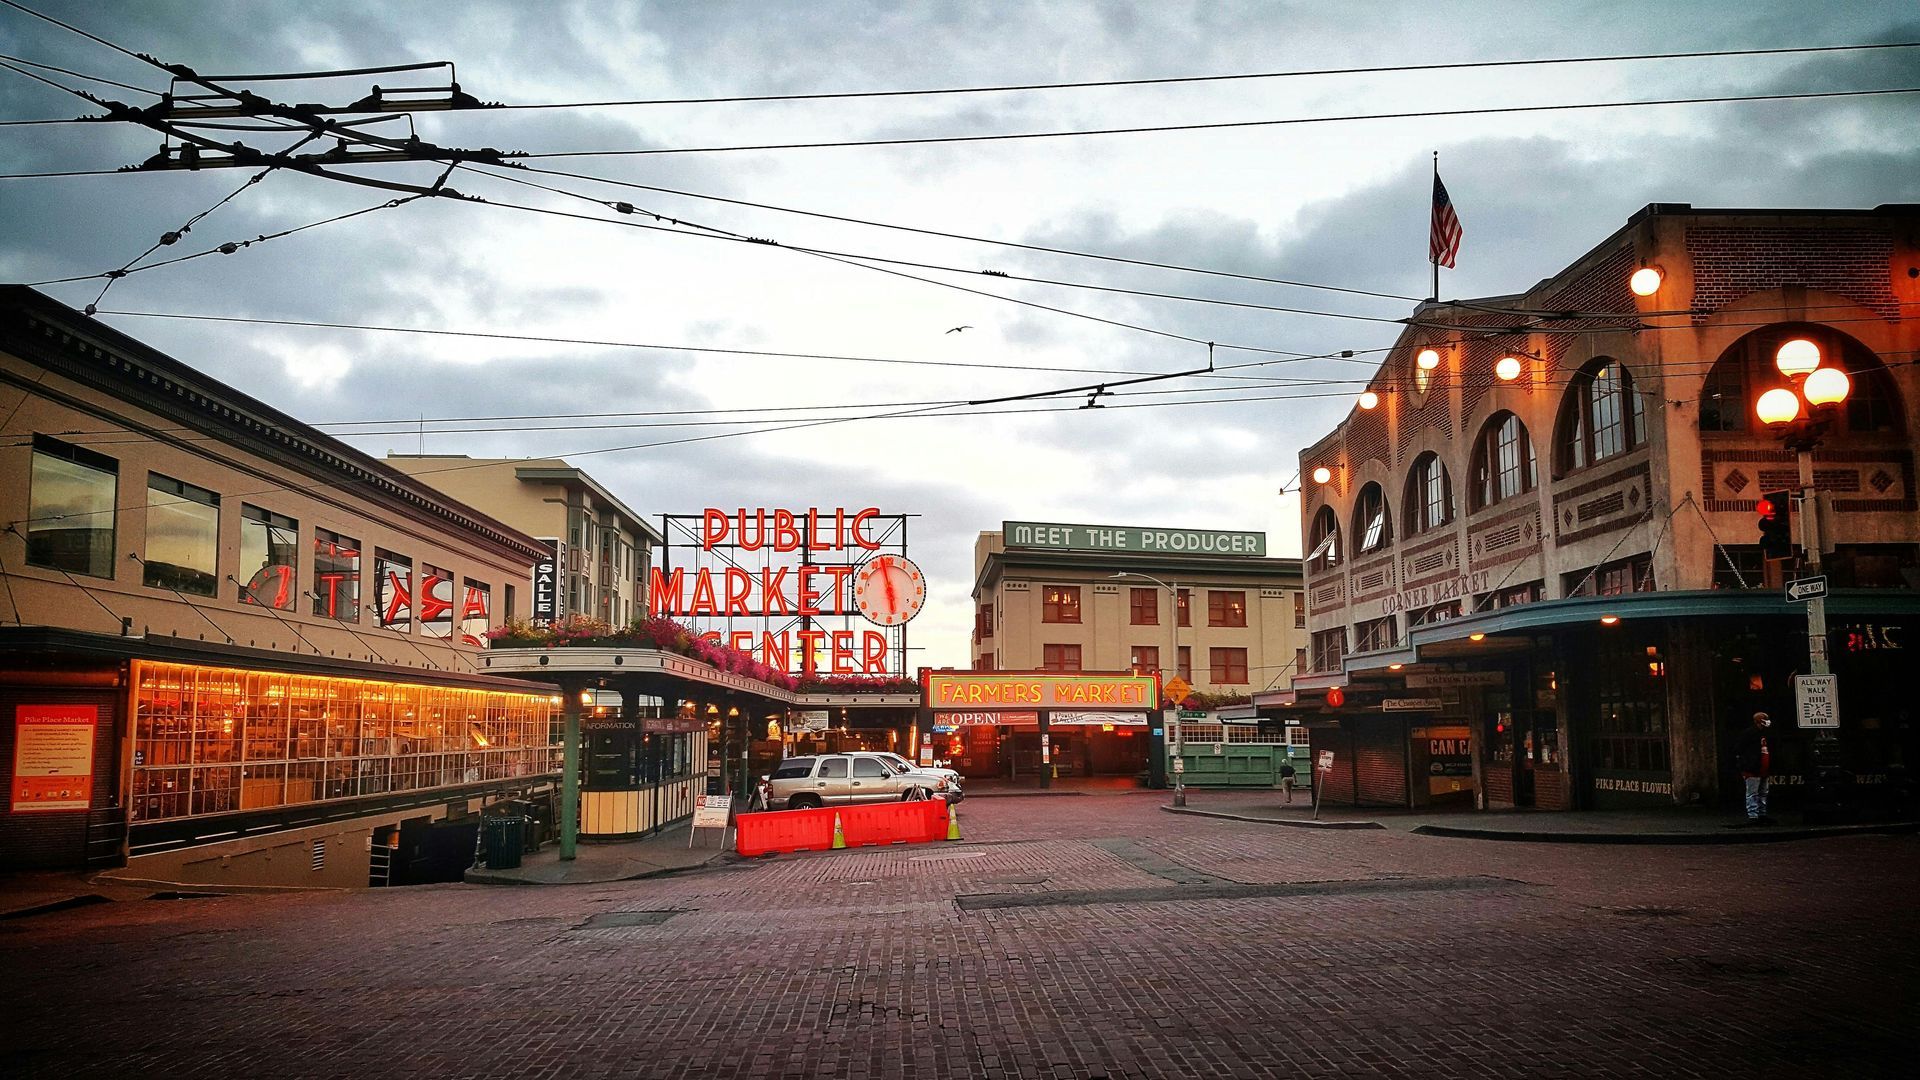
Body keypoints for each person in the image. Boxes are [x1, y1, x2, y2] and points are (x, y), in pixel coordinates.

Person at [1733, 711, 1775, 825]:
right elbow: (1739, 748)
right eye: (1764, 719)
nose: (1767, 721)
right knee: (1753, 792)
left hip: (1763, 767)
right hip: (1752, 768)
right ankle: (1753, 815)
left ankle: (1762, 814)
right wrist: (1746, 763)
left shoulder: (1766, 733)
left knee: (1763, 792)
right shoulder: (1749, 733)